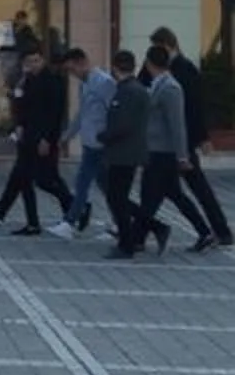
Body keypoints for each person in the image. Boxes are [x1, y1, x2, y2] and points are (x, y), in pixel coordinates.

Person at [150, 30, 231, 247]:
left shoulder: (185, 70)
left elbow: (195, 107)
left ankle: (219, 231)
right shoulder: (158, 66)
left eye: (159, 46)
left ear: (169, 45)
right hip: (165, 143)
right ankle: (142, 229)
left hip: (181, 141)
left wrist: (202, 137)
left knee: (197, 189)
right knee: (167, 190)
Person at [0, 41, 71, 235]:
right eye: (30, 61)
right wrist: (19, 125)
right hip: (28, 136)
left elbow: (55, 114)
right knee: (22, 178)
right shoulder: (27, 79)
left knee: (44, 179)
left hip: (42, 139)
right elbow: (22, 105)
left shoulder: (52, 81)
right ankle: (25, 220)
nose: (33, 64)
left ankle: (75, 206)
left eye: (37, 60)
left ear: (43, 60)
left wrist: (47, 139)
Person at [130, 45, 210, 256]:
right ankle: (203, 231)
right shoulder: (159, 84)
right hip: (156, 151)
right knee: (172, 194)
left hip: (164, 153)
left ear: (148, 63)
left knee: (150, 196)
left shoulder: (171, 88)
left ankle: (136, 238)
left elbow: (177, 126)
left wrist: (182, 156)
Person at [98, 50, 155, 257]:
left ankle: (126, 244)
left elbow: (123, 124)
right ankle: (144, 231)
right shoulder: (132, 89)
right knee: (118, 197)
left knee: (117, 199)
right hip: (126, 151)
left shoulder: (129, 91)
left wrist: (104, 137)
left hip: (124, 153)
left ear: (115, 68)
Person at [60, 48, 112, 235]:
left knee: (84, 183)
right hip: (89, 142)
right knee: (104, 186)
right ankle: (119, 223)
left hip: (101, 143)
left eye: (73, 69)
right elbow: (81, 115)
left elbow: (112, 111)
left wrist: (108, 136)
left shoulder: (104, 82)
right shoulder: (85, 84)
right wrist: (68, 135)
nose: (72, 75)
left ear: (82, 62)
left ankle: (70, 221)